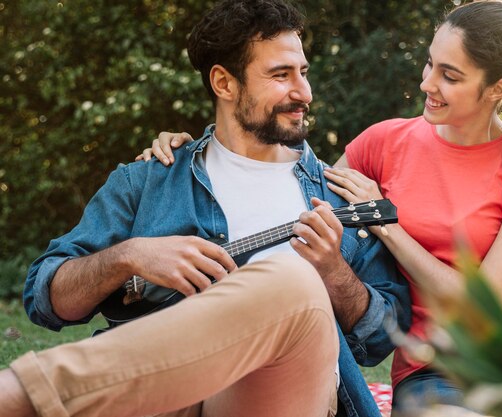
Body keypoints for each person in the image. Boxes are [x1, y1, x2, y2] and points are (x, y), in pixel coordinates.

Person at [146, 0, 502, 413]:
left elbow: (482, 305)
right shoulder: (385, 142)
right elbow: (290, 189)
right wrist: (199, 151)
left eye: (451, 75)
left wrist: (385, 222)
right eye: (430, 64)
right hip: (437, 370)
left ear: (497, 88)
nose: (428, 83)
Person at [0, 1, 412, 416]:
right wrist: (128, 256)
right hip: (162, 400)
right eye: (280, 75)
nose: (304, 92)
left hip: (277, 400)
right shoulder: (149, 180)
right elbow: (46, 299)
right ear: (224, 82)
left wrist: (334, 273)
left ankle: (22, 397)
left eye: (302, 72)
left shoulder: (341, 198)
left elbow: (380, 340)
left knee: (290, 281)